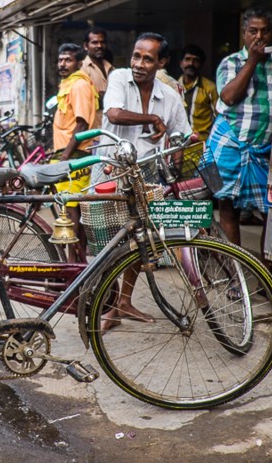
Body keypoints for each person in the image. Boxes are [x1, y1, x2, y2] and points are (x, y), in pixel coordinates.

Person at [101, 33, 191, 329]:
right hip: (111, 172)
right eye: (136, 56)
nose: (139, 64)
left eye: (148, 59)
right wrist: (151, 119)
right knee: (109, 242)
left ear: (162, 63)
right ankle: (109, 304)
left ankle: (122, 303)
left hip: (148, 178)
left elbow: (182, 134)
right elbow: (113, 114)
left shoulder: (170, 96)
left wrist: (186, 144)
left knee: (140, 241)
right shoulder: (118, 78)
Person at [204, 7, 272, 247]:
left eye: (264, 32)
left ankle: (266, 266)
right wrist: (252, 62)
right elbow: (228, 97)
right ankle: (236, 266)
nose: (259, 37)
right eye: (253, 31)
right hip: (228, 143)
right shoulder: (231, 62)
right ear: (244, 33)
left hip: (263, 149)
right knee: (226, 205)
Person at [52, 42, 98, 262]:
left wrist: (65, 156)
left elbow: (81, 124)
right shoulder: (68, 84)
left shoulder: (79, 85)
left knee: (72, 211)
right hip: (66, 153)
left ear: (79, 63)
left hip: (74, 156)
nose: (62, 64)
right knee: (67, 209)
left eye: (67, 60)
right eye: (60, 59)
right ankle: (74, 262)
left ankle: (74, 264)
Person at [177, 45, 218, 142]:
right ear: (181, 63)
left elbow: (219, 118)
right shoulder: (174, 87)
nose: (191, 63)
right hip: (179, 146)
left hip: (202, 146)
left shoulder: (210, 88)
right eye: (187, 59)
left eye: (196, 60)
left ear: (201, 64)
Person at [80, 27, 113, 130]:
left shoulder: (112, 69)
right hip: (93, 131)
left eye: (102, 42)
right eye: (94, 42)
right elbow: (86, 99)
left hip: (112, 130)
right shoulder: (82, 69)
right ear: (86, 46)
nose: (99, 46)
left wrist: (102, 96)